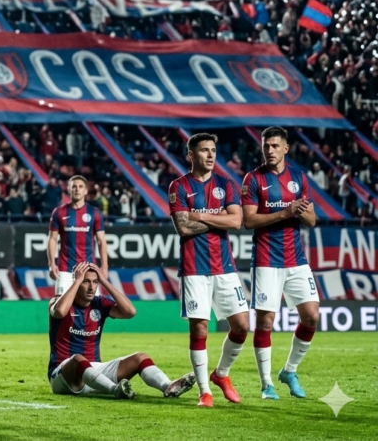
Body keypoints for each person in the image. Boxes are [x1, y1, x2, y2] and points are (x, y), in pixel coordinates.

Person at [168, 133, 249, 407]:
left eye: (213, 150)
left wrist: (200, 215)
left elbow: (237, 221)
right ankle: (205, 392)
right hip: (194, 268)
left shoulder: (226, 184)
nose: (211, 155)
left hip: (224, 267)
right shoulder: (178, 186)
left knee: (241, 326)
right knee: (200, 329)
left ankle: (221, 374)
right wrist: (219, 219)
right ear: (191, 155)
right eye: (204, 150)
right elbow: (182, 227)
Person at [241, 126, 318, 400]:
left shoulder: (298, 178)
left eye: (275, 146)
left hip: (296, 259)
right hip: (266, 260)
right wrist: (286, 211)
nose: (270, 150)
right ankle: (266, 385)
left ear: (286, 148)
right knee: (266, 322)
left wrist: (301, 212)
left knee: (311, 316)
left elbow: (311, 221)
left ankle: (289, 371)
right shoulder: (253, 179)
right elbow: (248, 221)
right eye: (266, 146)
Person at [48, 263, 196, 399]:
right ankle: (115, 390)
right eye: (86, 281)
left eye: (95, 282)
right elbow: (60, 312)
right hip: (63, 375)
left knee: (140, 357)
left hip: (94, 373)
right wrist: (76, 281)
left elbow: (130, 312)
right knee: (77, 359)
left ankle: (168, 386)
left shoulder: (99, 303)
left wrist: (105, 281)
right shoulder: (58, 301)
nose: (91, 287)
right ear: (77, 282)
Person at [46, 176, 108, 296]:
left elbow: (101, 241)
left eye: (80, 187)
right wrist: (51, 264)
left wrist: (104, 266)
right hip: (65, 270)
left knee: (93, 311)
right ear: (69, 189)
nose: (77, 189)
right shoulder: (58, 212)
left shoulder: (94, 213)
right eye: (74, 186)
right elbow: (52, 239)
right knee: (61, 310)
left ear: (85, 191)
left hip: (89, 270)